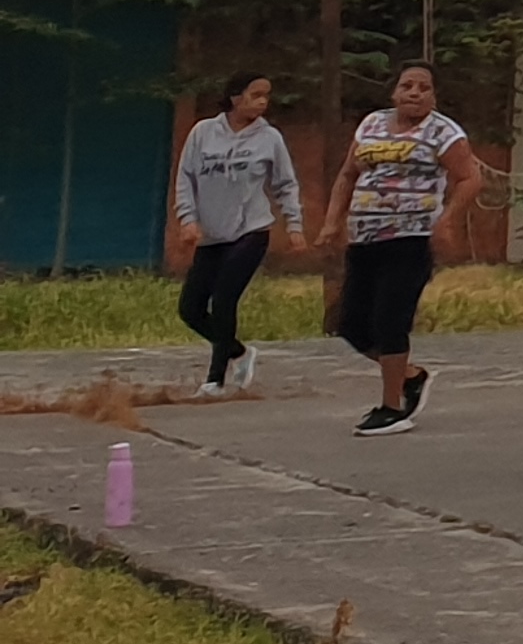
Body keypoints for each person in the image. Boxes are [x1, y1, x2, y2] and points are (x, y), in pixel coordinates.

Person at [305, 61, 481, 437]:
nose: (414, 93)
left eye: (423, 87)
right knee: (350, 325)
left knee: (390, 322)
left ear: (434, 96)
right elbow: (348, 175)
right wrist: (332, 221)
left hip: (410, 239)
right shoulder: (371, 124)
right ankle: (411, 376)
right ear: (394, 92)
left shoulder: (443, 132)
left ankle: (392, 407)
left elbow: (469, 178)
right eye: (407, 86)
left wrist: (447, 220)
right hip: (364, 239)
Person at [167, 72, 300, 398]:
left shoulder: (269, 138)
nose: (263, 102)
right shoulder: (203, 133)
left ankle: (215, 379)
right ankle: (239, 352)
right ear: (235, 97)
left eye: (266, 95)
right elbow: (185, 179)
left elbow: (286, 184)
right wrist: (188, 219)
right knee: (190, 309)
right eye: (256, 95)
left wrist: (294, 225)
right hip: (212, 235)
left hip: (251, 230)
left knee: (224, 299)